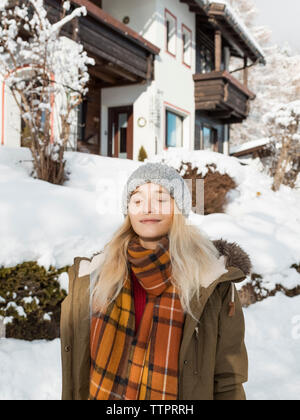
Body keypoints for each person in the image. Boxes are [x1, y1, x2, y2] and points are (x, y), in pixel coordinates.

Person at [60, 162, 251, 400]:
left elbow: (228, 378)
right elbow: (75, 374)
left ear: (178, 209)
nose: (147, 208)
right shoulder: (95, 277)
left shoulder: (209, 280)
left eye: (160, 199)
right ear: (128, 211)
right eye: (137, 200)